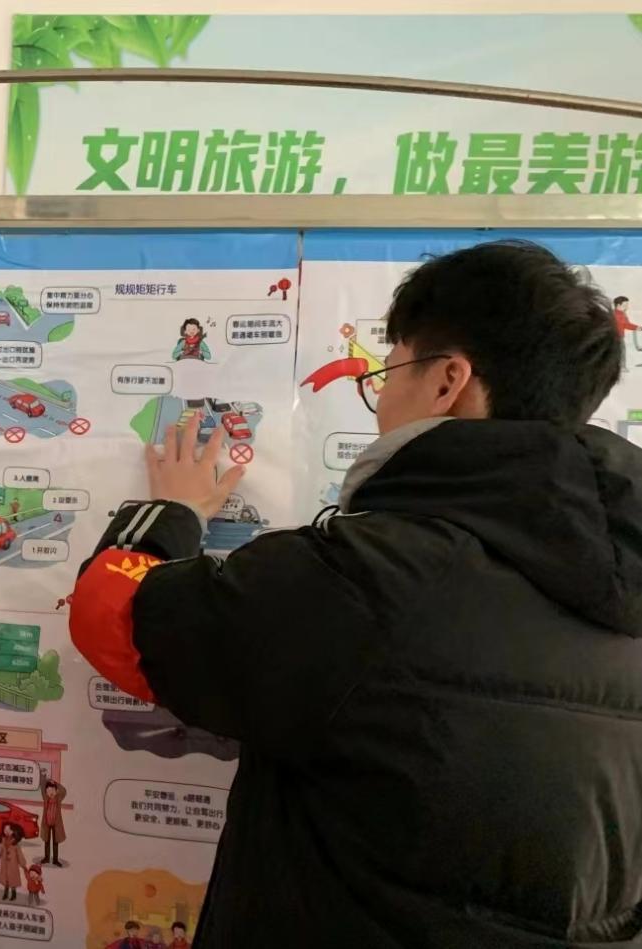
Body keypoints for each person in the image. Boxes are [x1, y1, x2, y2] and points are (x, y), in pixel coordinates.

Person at [71, 241, 642, 946]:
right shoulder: (622, 592)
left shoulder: (369, 579)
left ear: (447, 381)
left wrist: (170, 515)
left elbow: (112, 614)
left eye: (388, 371)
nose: (379, 400)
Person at [39, 773, 66, 867]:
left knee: (55, 842)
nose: (50, 793)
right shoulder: (45, 798)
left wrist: (55, 783)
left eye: (53, 790)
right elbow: (43, 786)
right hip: (47, 823)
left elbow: (64, 791)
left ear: (56, 791)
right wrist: (48, 780)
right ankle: (46, 858)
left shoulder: (58, 798)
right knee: (46, 841)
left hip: (56, 824)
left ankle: (55, 860)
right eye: (48, 790)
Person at [0, 825, 24, 902]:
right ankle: (5, 893)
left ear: (12, 831)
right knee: (6, 879)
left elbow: (19, 854)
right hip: (5, 864)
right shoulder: (3, 840)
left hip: (13, 864)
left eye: (7, 829)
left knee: (12, 879)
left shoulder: (15, 843)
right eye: (5, 829)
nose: (5, 831)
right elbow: (0, 852)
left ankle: (13, 894)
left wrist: (23, 863)